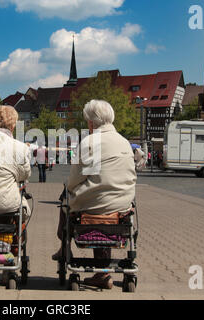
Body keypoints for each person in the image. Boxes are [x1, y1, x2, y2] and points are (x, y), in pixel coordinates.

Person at [52, 100, 137, 289]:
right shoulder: (124, 142)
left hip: (92, 207)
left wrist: (68, 186)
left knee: (65, 199)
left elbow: (75, 180)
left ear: (91, 122)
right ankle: (102, 274)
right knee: (104, 217)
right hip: (121, 208)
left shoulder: (91, 142)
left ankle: (64, 247)